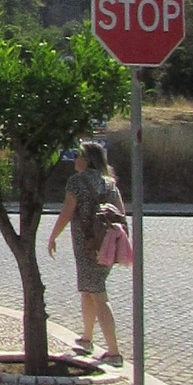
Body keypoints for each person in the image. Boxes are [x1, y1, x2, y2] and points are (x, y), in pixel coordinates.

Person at [47, 140, 125, 366]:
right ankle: (87, 338)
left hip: (87, 246)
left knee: (98, 293)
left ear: (87, 159)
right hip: (107, 244)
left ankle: (113, 352)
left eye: (78, 155)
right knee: (88, 290)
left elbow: (66, 213)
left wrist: (53, 236)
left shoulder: (77, 182)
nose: (74, 159)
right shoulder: (110, 183)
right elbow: (120, 214)